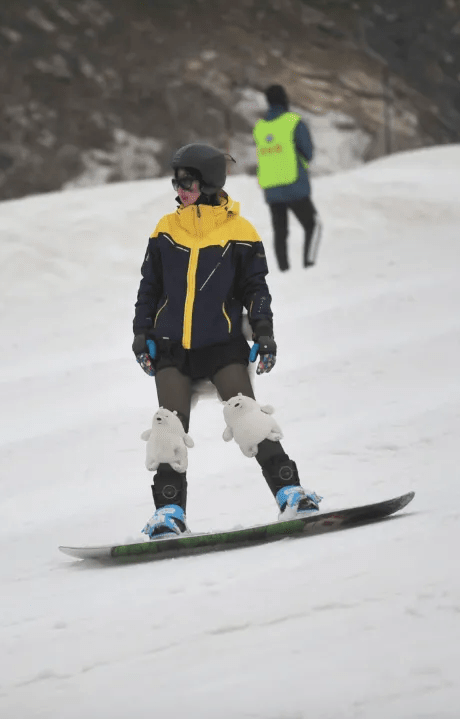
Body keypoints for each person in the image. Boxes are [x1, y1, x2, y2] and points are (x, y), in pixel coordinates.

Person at [131, 143, 321, 539]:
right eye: (176, 181)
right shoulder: (166, 228)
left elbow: (256, 290)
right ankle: (168, 515)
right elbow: (149, 288)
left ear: (210, 183)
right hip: (171, 350)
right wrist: (140, 333)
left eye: (187, 182)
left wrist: (265, 335)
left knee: (247, 417)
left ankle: (291, 492)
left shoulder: (241, 232)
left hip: (222, 348)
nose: (179, 190)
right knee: (167, 428)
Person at [252, 84, 320, 272]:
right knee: (313, 225)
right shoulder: (293, 121)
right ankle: (310, 266)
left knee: (280, 232)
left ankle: (284, 270)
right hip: (294, 184)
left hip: (271, 188)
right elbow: (308, 152)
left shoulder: (260, 128)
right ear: (285, 99)